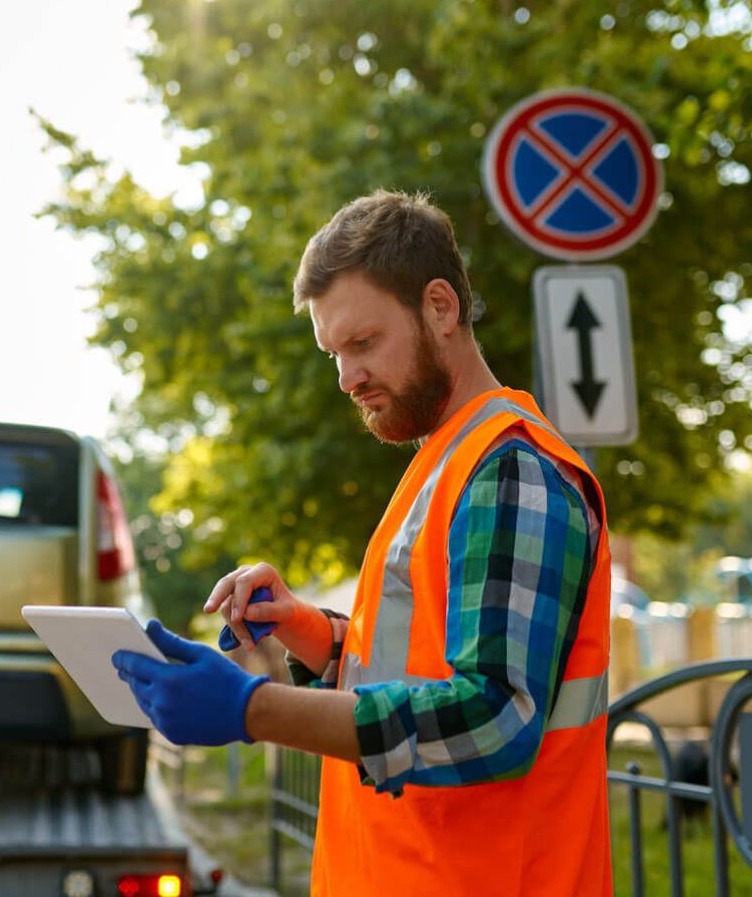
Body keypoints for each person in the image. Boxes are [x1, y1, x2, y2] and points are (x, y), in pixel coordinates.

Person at [112, 189, 612, 895]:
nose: (346, 377)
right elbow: (419, 667)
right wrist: (306, 630)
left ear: (440, 307)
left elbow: (499, 715)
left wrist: (253, 708)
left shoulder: (512, 470)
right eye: (333, 353)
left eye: (363, 343)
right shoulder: (448, 460)